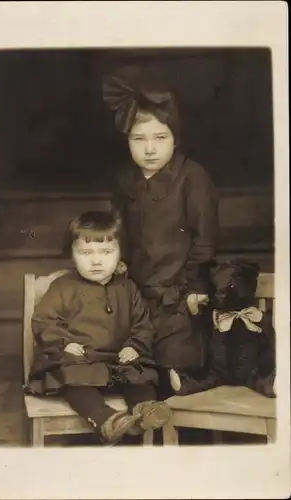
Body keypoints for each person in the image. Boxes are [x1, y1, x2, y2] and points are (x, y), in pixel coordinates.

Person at [102, 69, 219, 398]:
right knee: (133, 366)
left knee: (175, 368)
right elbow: (117, 228)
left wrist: (197, 285)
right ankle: (141, 421)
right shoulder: (125, 179)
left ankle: (174, 430)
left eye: (160, 137)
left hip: (179, 297)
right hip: (137, 295)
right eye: (138, 139)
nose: (149, 149)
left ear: (175, 138)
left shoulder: (191, 176)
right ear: (127, 141)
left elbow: (205, 236)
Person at [24, 210, 171, 445]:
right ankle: (106, 420)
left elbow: (142, 324)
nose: (96, 260)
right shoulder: (63, 287)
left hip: (118, 361)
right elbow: (44, 321)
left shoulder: (128, 288)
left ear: (120, 253)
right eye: (85, 252)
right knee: (72, 379)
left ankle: (145, 411)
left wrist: (134, 346)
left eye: (106, 252)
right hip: (80, 360)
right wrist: (65, 343)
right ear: (72, 254)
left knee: (142, 375)